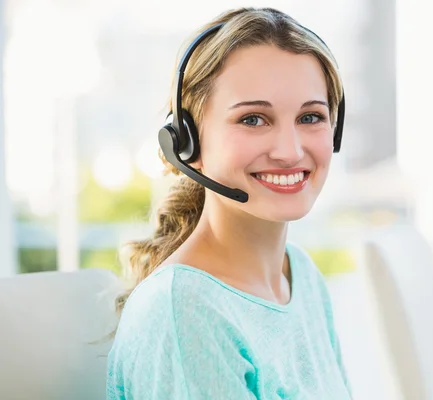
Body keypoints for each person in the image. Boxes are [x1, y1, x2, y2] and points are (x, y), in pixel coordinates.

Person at [106, 7, 351, 399]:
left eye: (310, 117)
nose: (289, 152)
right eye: (253, 119)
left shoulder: (300, 277)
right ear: (188, 143)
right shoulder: (183, 313)